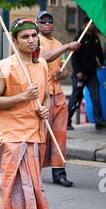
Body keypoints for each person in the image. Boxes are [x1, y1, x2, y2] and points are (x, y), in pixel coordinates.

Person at [0, 18, 61, 209]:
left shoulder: (42, 65)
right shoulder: (4, 67)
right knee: (28, 194)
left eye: (34, 36)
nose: (31, 40)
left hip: (37, 135)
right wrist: (22, 97)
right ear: (14, 40)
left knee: (16, 192)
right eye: (25, 36)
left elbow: (47, 97)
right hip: (13, 137)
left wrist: (45, 111)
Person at [36, 11, 81, 187]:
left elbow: (64, 67)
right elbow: (43, 58)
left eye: (50, 21)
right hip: (42, 95)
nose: (47, 23)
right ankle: (35, 172)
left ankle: (59, 173)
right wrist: (67, 47)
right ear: (37, 23)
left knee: (59, 135)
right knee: (42, 135)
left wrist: (64, 74)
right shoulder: (35, 41)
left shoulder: (59, 44)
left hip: (59, 94)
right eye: (43, 21)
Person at [67, 17, 106, 131]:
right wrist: (78, 71)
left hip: (92, 74)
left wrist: (100, 62)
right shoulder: (79, 38)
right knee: (75, 98)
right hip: (79, 75)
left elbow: (99, 53)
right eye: (92, 24)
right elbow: (74, 57)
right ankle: (67, 121)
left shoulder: (95, 38)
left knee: (96, 97)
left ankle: (99, 121)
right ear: (85, 24)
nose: (94, 26)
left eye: (94, 24)